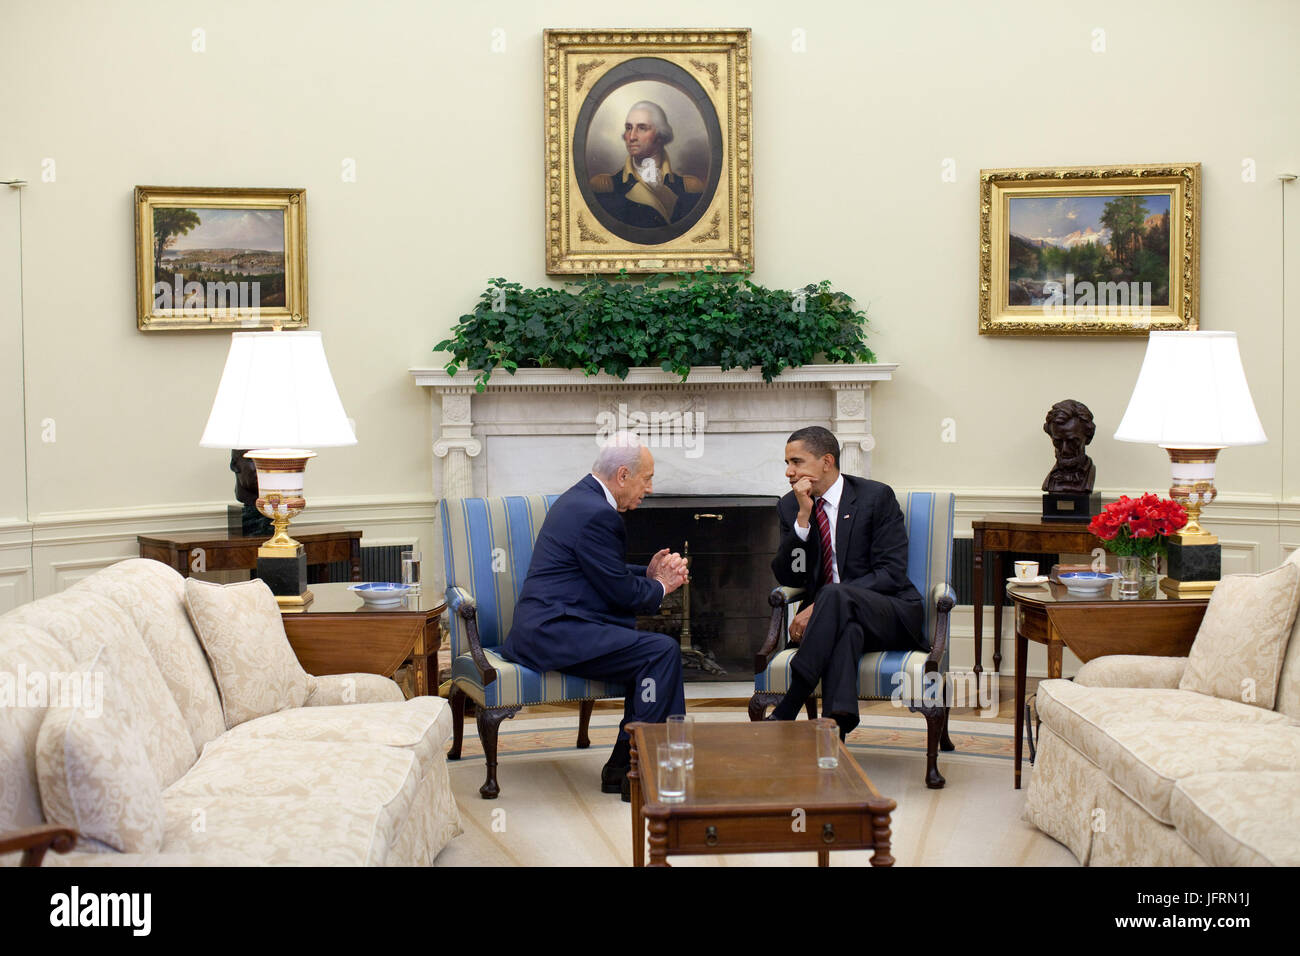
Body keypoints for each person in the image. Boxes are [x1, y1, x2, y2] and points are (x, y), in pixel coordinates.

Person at [502, 430, 689, 801]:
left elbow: (603, 572)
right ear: (623, 475)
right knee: (660, 652)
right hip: (554, 630)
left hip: (555, 623)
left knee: (652, 655)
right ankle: (638, 769)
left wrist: (648, 575)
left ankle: (628, 767)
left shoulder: (583, 499)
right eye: (646, 479)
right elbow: (618, 591)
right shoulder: (597, 515)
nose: (649, 489)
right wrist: (662, 586)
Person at [766, 426, 926, 739]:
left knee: (835, 596)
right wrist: (802, 521)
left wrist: (822, 604)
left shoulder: (875, 497)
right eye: (786, 463)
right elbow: (790, 576)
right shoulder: (790, 506)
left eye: (796, 462)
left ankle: (791, 701)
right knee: (846, 630)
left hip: (890, 612)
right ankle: (835, 726)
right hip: (840, 621)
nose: (789, 471)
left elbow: (891, 572)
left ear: (826, 461)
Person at [589, 100, 704, 229]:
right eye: (628, 128)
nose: (631, 137)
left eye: (642, 128)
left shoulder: (689, 188)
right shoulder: (605, 187)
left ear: (660, 135)